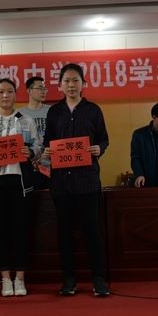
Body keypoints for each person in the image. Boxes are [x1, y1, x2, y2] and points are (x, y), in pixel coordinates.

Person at [43, 63, 110, 297]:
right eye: (67, 81)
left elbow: (104, 139)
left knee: (92, 231)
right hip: (61, 183)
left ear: (83, 84)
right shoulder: (54, 112)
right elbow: (48, 141)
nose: (71, 85)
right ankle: (68, 279)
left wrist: (99, 148)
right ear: (60, 85)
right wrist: (47, 151)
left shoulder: (93, 110)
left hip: (87, 180)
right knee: (65, 232)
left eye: (75, 80)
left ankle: (99, 279)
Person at [0, 79, 41, 297]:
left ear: (16, 95)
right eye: (1, 92)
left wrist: (30, 152)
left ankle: (20, 278)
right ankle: (5, 278)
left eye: (10, 91)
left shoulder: (26, 120)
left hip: (21, 182)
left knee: (21, 230)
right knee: (1, 231)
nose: (5, 96)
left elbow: (38, 145)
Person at [18, 76, 51, 190]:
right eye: (40, 88)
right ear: (29, 91)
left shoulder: (51, 111)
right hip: (28, 165)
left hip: (49, 164)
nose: (43, 91)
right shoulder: (19, 114)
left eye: (45, 89)